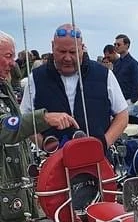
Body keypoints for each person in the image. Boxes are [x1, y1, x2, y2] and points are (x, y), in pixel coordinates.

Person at [0, 31, 77, 222]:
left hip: (8, 185)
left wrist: (11, 64)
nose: (14, 61)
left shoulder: (5, 85)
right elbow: (5, 127)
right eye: (8, 56)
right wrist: (45, 117)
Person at [21, 24, 128, 152]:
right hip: (54, 162)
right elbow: (24, 118)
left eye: (73, 52)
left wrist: (103, 144)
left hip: (98, 161)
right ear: (52, 47)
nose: (67, 58)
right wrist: (43, 144)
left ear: (82, 48)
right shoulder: (36, 78)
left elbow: (122, 115)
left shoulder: (104, 75)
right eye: (61, 52)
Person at [112, 34, 138, 103]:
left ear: (126, 46)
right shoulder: (117, 63)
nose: (116, 46)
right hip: (116, 100)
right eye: (115, 44)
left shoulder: (133, 64)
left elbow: (136, 85)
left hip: (127, 101)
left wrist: (131, 101)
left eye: (118, 44)